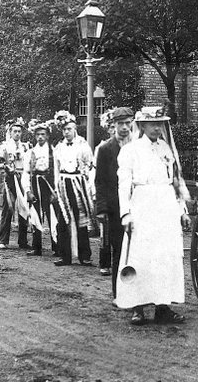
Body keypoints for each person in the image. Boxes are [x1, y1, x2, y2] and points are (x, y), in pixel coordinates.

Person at [115, 106, 191, 325]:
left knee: (164, 256)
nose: (157, 128)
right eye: (152, 124)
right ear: (142, 126)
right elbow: (124, 185)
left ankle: (162, 306)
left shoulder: (167, 149)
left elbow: (175, 182)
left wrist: (182, 210)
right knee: (141, 256)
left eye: (160, 123)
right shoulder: (131, 150)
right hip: (142, 205)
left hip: (165, 206)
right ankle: (137, 307)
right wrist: (126, 214)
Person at [95, 107, 133, 296]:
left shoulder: (139, 146)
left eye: (128, 123)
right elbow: (100, 181)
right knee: (118, 249)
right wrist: (101, 209)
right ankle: (119, 293)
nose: (125, 128)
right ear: (114, 125)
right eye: (120, 124)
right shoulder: (105, 149)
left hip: (138, 206)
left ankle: (138, 293)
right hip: (115, 207)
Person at [53, 111, 94, 267]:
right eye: (64, 130)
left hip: (78, 183)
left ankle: (85, 256)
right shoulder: (59, 147)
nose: (67, 132)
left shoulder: (83, 145)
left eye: (69, 129)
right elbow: (57, 169)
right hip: (64, 183)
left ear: (75, 128)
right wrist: (57, 188)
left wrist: (87, 186)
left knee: (81, 219)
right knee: (63, 219)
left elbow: (90, 166)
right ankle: (65, 256)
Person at [0, 118, 30, 250]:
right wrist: (6, 166)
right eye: (15, 131)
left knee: (24, 207)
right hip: (10, 179)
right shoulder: (5, 146)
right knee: (8, 209)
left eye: (19, 131)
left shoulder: (26, 147)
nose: (17, 134)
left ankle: (23, 241)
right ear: (10, 132)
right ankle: (3, 240)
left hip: (23, 178)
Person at [22, 119, 58, 257]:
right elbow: (26, 173)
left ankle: (57, 246)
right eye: (38, 135)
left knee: (53, 215)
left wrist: (56, 191)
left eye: (43, 134)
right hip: (36, 183)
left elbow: (58, 172)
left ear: (48, 135)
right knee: (36, 214)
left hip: (49, 183)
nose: (40, 137)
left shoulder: (54, 151)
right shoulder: (30, 152)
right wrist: (28, 191)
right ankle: (36, 247)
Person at [91, 108, 116, 276]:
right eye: (112, 127)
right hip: (107, 194)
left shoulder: (130, 147)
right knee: (105, 233)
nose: (115, 130)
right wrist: (96, 196)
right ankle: (104, 262)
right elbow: (97, 174)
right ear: (108, 129)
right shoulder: (102, 148)